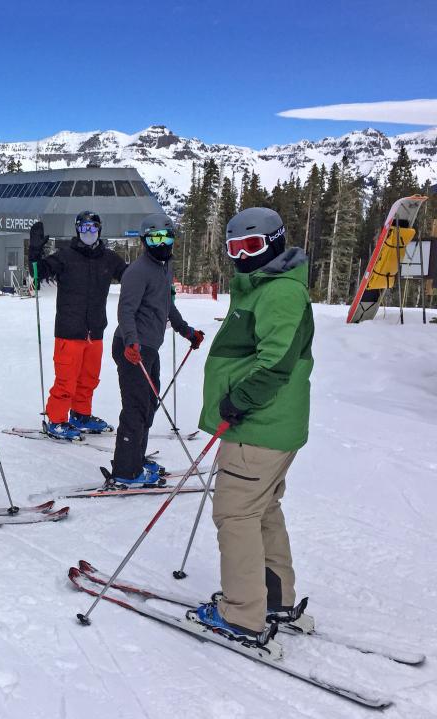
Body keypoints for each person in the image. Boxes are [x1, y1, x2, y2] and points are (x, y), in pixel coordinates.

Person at [188, 207, 314, 652]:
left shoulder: (278, 293)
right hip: (270, 427)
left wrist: (236, 401)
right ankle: (274, 599)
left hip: (257, 426)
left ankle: (241, 613)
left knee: (235, 514)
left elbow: (275, 363)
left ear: (276, 243)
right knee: (262, 510)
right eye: (234, 248)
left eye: (253, 247)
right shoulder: (265, 286)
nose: (242, 257)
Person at [110, 213, 203, 486]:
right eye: (154, 238)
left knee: (149, 405)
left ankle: (134, 458)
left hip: (149, 347)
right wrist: (130, 342)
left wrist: (187, 331)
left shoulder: (164, 268)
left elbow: (166, 305)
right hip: (133, 348)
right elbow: (125, 311)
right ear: (144, 242)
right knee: (136, 408)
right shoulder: (137, 272)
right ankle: (126, 472)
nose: (161, 243)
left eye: (166, 237)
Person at [28, 211, 127, 440]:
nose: (88, 233)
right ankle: (56, 419)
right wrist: (35, 251)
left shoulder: (109, 258)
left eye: (93, 228)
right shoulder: (65, 256)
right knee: (66, 380)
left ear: (99, 230)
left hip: (96, 331)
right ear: (77, 230)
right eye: (84, 228)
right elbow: (38, 272)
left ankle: (81, 415)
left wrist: (157, 273)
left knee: (89, 379)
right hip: (69, 331)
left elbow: (131, 277)